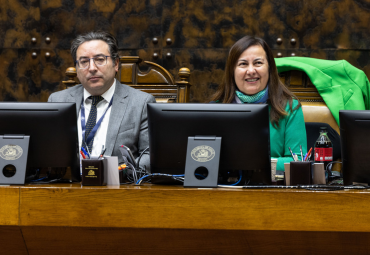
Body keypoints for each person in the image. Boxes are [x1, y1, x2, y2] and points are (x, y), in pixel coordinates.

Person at [48, 31, 156, 171]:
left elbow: (149, 155)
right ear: (76, 68)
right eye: (84, 61)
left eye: (100, 59)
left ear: (116, 64)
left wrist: (114, 173)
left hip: (118, 187)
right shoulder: (57, 101)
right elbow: (49, 152)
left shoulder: (141, 103)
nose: (92, 68)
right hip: (70, 187)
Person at [210, 35, 307, 171]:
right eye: (243, 64)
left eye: (258, 63)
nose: (251, 71)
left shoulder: (290, 107)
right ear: (232, 71)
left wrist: (251, 164)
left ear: (269, 68)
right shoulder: (215, 109)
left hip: (273, 189)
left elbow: (298, 162)